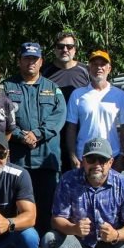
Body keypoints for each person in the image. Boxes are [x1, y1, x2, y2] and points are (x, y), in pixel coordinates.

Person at [2, 42, 66, 236]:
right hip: (18, 157)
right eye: (26, 58)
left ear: (41, 62)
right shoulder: (7, 87)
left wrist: (37, 134)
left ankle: (45, 244)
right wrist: (21, 136)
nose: (31, 62)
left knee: (46, 202)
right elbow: (2, 116)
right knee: (17, 201)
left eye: (34, 59)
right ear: (19, 61)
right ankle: (18, 241)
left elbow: (59, 116)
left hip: (46, 158)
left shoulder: (52, 88)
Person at [65, 50, 124, 170]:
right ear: (89, 68)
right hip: (84, 157)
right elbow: (71, 127)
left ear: (109, 68)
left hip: (111, 157)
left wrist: (122, 155)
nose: (99, 68)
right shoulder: (78, 95)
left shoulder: (120, 95)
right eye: (95, 64)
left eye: (103, 64)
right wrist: (73, 155)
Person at [42, 31, 90, 172]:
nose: (65, 50)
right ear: (55, 49)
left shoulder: (86, 71)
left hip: (80, 133)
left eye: (69, 46)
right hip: (53, 133)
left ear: (75, 49)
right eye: (60, 46)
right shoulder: (45, 72)